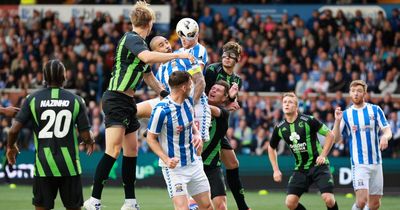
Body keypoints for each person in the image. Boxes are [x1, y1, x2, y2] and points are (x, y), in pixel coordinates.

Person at [84, 2, 193, 210]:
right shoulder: (132, 39)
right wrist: (178, 54)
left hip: (127, 101)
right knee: (113, 150)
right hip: (115, 98)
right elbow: (148, 58)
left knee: (131, 151)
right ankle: (94, 200)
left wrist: (163, 93)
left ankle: (130, 202)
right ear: (149, 23)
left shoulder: (139, 43)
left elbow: (148, 74)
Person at [6, 59, 95, 210]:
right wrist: (89, 140)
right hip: (70, 166)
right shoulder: (77, 100)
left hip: (43, 166)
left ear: (44, 78)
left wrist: (11, 147)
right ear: (64, 77)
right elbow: (85, 135)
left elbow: (13, 130)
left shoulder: (32, 99)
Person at [146, 71, 212, 210]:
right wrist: (166, 159)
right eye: (190, 83)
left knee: (207, 207)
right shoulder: (161, 110)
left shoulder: (188, 101)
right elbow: (150, 138)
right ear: (184, 87)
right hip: (174, 169)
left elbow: (191, 122)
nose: (192, 86)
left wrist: (197, 134)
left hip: (193, 163)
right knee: (183, 208)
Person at [268, 92, 338, 210]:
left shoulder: (309, 120)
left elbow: (330, 135)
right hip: (300, 169)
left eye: (290, 102)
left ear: (296, 106)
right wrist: (275, 170)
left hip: (319, 166)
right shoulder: (280, 128)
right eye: (284, 102)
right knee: (290, 203)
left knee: (329, 199)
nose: (286, 104)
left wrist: (323, 155)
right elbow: (271, 147)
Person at [204, 41, 250, 210]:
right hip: (204, 122)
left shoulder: (237, 80)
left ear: (237, 59)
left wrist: (232, 100)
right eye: (224, 56)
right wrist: (228, 102)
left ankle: (242, 206)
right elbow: (205, 96)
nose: (226, 59)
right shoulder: (212, 70)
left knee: (233, 164)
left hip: (219, 124)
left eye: (231, 57)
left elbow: (230, 104)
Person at [332, 80, 392, 210]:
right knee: (362, 201)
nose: (356, 94)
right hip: (359, 163)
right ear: (349, 93)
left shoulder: (375, 110)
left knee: (375, 204)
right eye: (353, 91)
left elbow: (387, 131)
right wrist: (337, 121)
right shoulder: (346, 114)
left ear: (364, 93)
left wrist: (385, 137)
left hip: (376, 162)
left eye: (359, 91)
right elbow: (336, 139)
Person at [202, 80, 231, 210]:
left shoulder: (224, 113)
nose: (213, 91)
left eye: (218, 90)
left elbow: (211, 110)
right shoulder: (193, 110)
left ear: (224, 97)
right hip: (193, 166)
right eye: (212, 88)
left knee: (220, 207)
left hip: (212, 166)